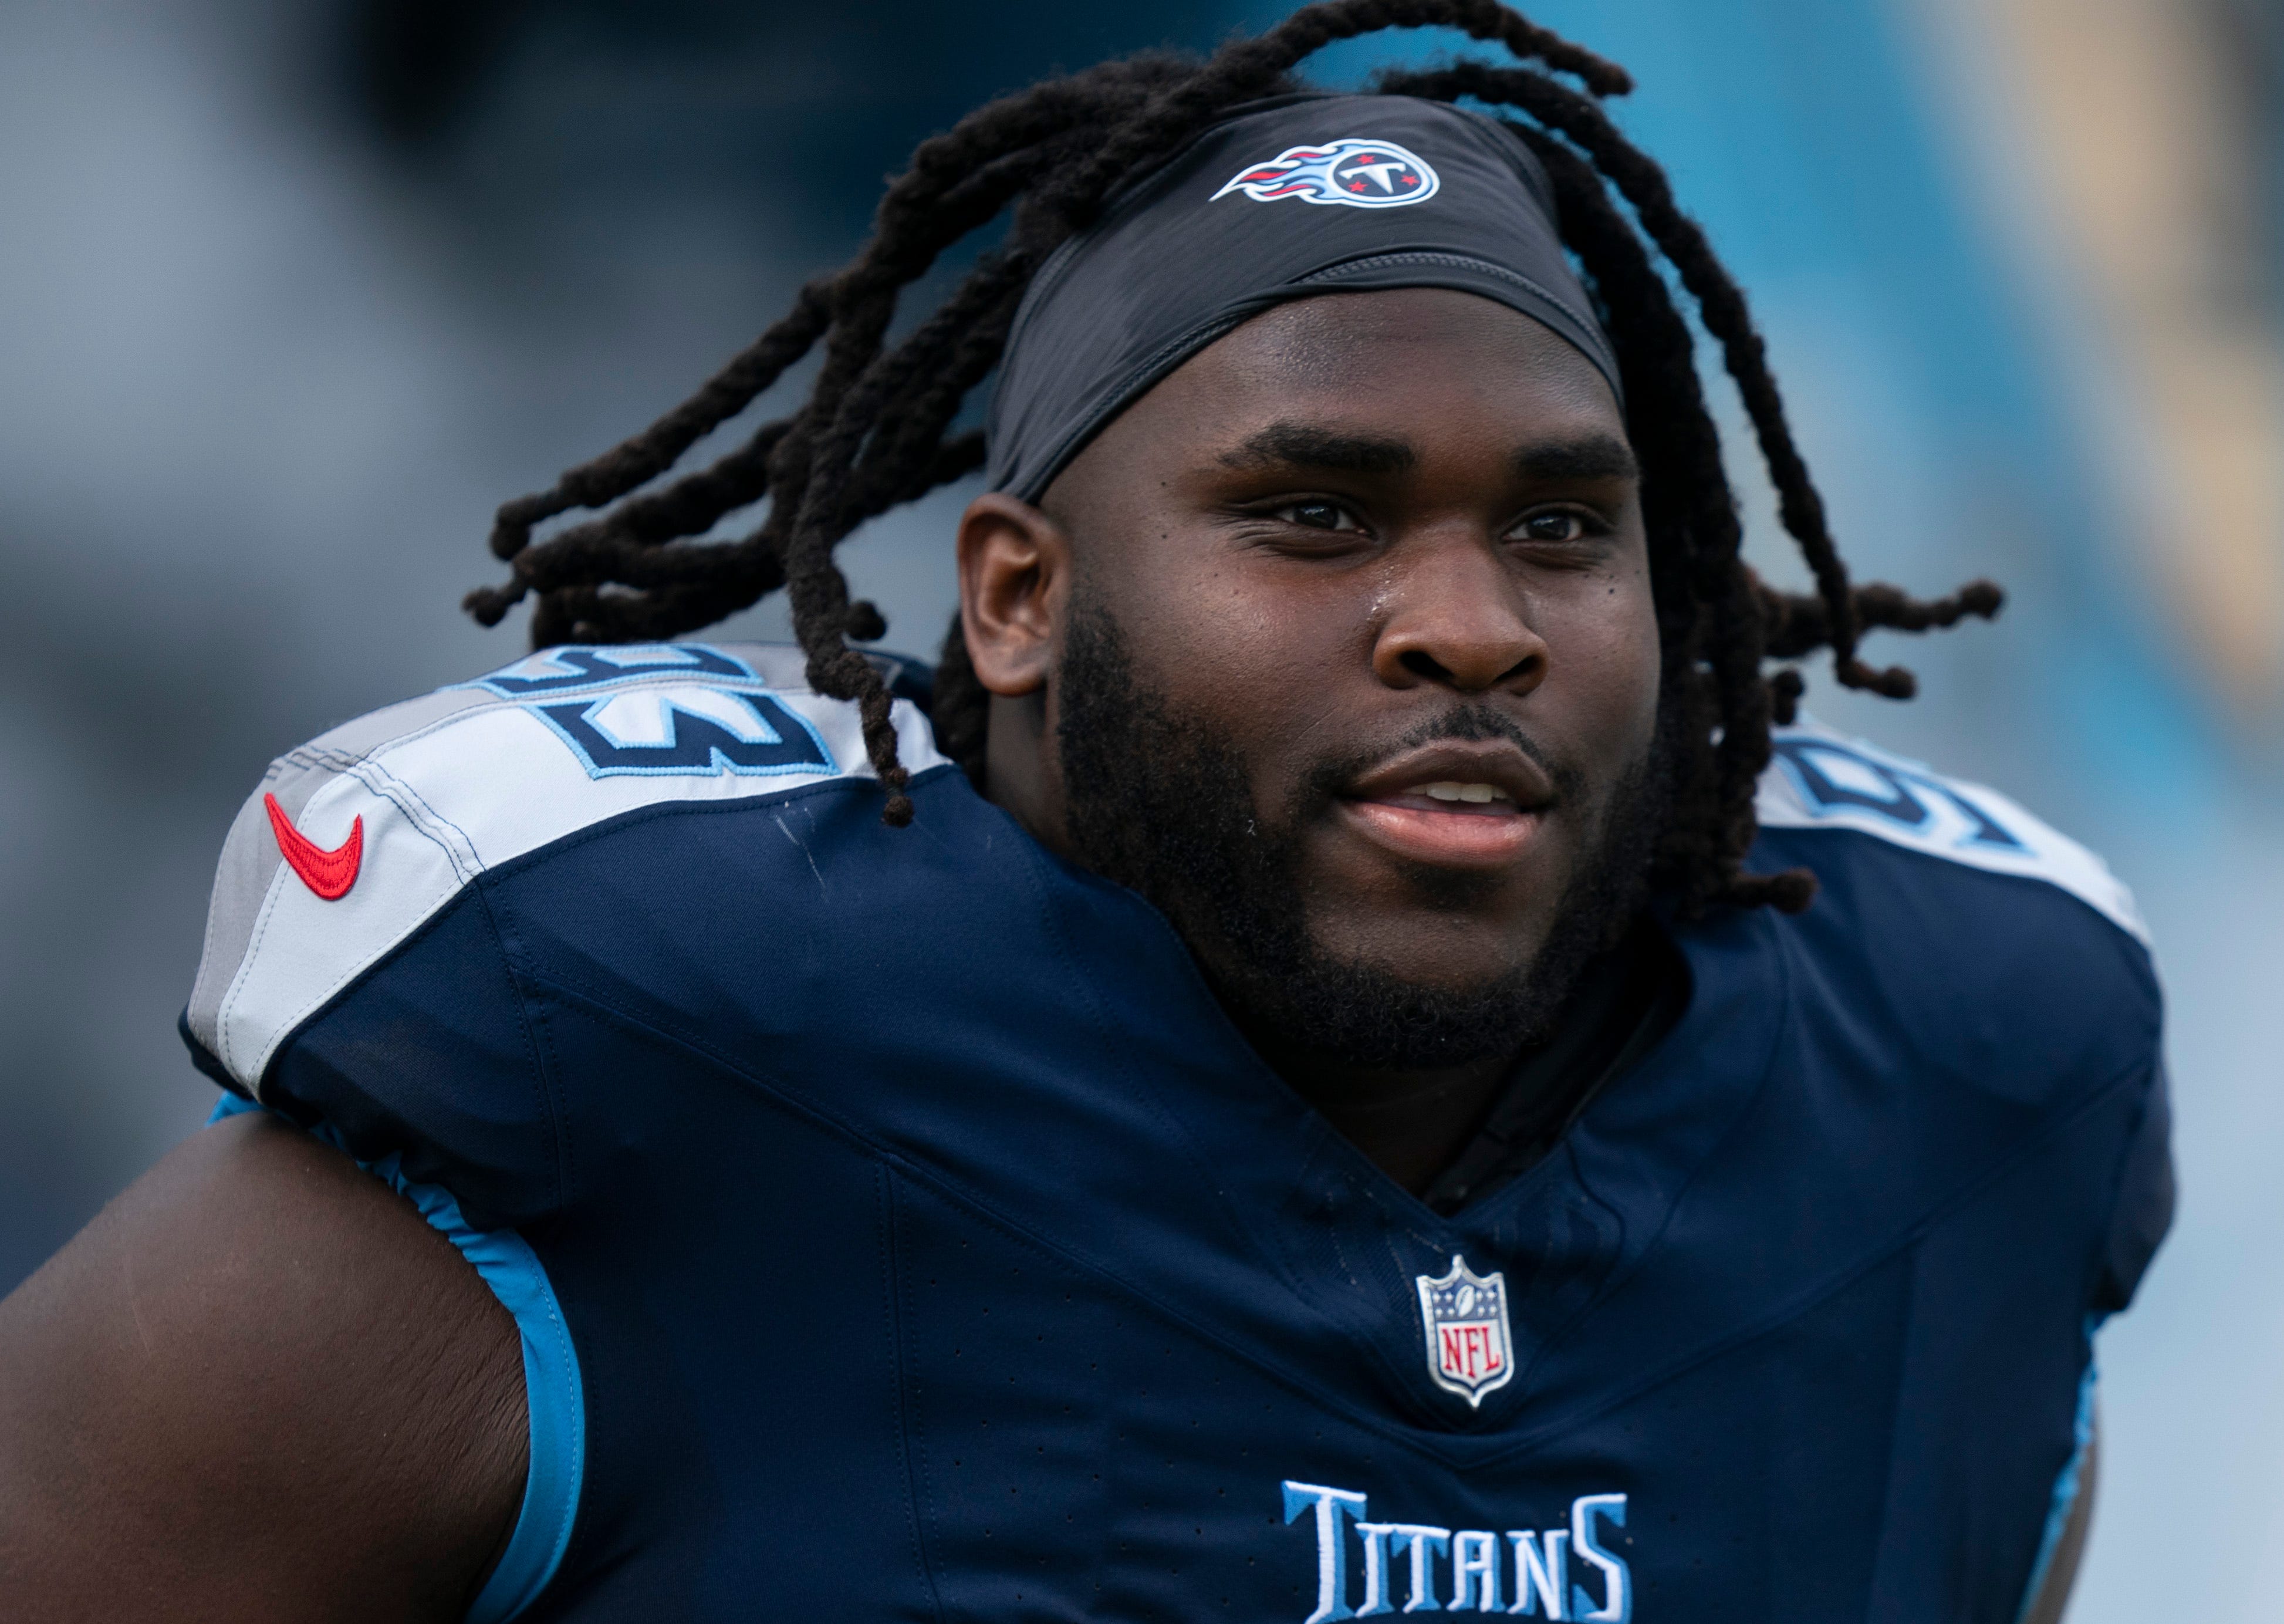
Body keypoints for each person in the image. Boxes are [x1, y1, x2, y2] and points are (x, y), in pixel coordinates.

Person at [0, 4, 2171, 1620]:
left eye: (1563, 530)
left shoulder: (1950, 1079)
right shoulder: (635, 1053)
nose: (1468, 627)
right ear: (1019, 601)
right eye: (1312, 516)